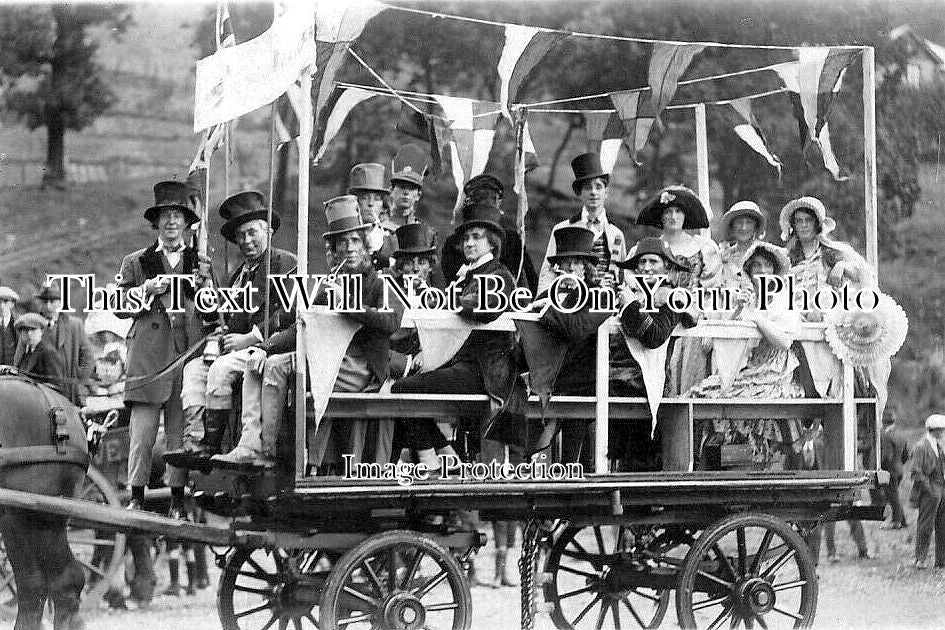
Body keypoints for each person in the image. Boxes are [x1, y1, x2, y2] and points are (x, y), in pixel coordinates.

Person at [211, 195, 404, 470]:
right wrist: (263, 347)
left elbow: (391, 321)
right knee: (264, 364)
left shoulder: (378, 281)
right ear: (334, 250)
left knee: (279, 368)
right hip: (326, 361)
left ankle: (275, 455)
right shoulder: (329, 283)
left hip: (361, 368)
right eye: (342, 243)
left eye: (355, 242)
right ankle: (257, 450)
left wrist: (348, 304)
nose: (348, 249)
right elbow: (298, 324)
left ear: (365, 247)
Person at [166, 191, 296, 466]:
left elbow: (288, 314)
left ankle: (212, 445)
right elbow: (221, 316)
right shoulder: (237, 274)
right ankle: (195, 440)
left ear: (268, 231)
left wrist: (251, 336)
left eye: (252, 233)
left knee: (220, 369)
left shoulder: (285, 263)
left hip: (269, 347)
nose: (246, 241)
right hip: (236, 349)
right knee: (193, 370)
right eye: (240, 236)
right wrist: (206, 293)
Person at [391, 202, 520, 469]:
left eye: (476, 237)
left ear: (492, 243)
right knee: (401, 385)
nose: (469, 243)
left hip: (484, 371)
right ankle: (444, 450)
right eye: (466, 238)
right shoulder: (466, 275)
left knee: (403, 390)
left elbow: (484, 310)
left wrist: (452, 299)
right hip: (456, 364)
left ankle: (431, 457)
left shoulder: (500, 275)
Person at [115, 180, 203, 514]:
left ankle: (177, 498)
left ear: (185, 223)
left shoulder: (200, 262)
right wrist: (146, 290)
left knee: (180, 435)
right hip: (149, 357)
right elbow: (119, 306)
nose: (171, 223)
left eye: (177, 217)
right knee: (143, 433)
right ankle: (136, 496)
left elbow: (215, 310)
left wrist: (203, 291)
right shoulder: (136, 262)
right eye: (165, 216)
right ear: (156, 222)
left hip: (185, 355)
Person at [688, 242, 805, 470]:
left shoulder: (783, 299)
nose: (762, 271)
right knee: (700, 394)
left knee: (741, 403)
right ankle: (708, 466)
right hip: (746, 366)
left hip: (774, 370)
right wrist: (739, 311)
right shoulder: (744, 297)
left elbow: (784, 341)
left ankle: (756, 464)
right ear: (750, 271)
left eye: (767, 266)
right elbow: (717, 341)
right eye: (757, 266)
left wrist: (756, 318)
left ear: (774, 271)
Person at [634, 185, 721, 396]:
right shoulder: (649, 248)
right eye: (668, 211)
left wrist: (695, 310)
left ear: (686, 215)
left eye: (678, 211)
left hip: (692, 329)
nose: (673, 216)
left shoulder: (703, 248)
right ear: (660, 216)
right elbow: (636, 285)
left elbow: (712, 291)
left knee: (691, 386)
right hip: (658, 326)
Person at [538, 153, 627, 294]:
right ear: (579, 192)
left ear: (606, 192)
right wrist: (544, 300)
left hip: (602, 303)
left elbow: (622, 277)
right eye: (587, 187)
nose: (593, 192)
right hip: (569, 300)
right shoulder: (563, 229)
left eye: (598, 187)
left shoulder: (615, 234)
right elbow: (548, 272)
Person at [778, 196, 874, 319]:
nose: (804, 225)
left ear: (817, 223)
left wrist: (841, 266)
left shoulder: (835, 251)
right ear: (793, 226)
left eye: (808, 220)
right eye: (798, 221)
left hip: (828, 320)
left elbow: (863, 275)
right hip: (795, 322)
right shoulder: (785, 257)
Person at [440, 174, 539, 293]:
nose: (469, 243)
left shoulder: (512, 240)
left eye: (491, 199)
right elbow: (451, 282)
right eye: (481, 199)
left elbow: (527, 278)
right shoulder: (454, 242)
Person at [25, 283, 93, 405]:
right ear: (40, 303)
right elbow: (23, 362)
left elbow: (87, 359)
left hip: (70, 394)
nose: (49, 306)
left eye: (53, 301)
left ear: (60, 302)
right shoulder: (30, 327)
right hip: (42, 396)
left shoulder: (74, 325)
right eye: (45, 302)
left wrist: (76, 382)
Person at [909, 413, 945, 569]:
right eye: (941, 429)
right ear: (933, 430)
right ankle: (920, 559)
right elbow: (916, 472)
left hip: (941, 489)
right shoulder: (921, 446)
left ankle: (941, 560)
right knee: (925, 526)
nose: (943, 432)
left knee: (942, 525)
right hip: (929, 490)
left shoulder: (939, 445)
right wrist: (929, 489)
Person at [347, 162, 393, 270]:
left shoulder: (391, 238)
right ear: (355, 201)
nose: (371, 203)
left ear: (383, 204)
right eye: (364, 197)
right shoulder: (345, 238)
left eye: (377, 198)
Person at [717, 200, 766, 290]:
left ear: (756, 227)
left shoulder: (765, 253)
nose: (744, 227)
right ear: (732, 227)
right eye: (739, 222)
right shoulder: (723, 256)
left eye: (749, 222)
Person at [13, 312, 65, 390]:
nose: (29, 334)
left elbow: (56, 386)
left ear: (41, 331)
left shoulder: (48, 353)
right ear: (21, 334)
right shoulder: (25, 352)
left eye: (33, 330)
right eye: (25, 330)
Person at [878, 408, 909, 529]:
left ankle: (897, 522)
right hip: (899, 469)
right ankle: (903, 521)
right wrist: (900, 464)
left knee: (892, 497)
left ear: (884, 422)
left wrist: (881, 467)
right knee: (895, 496)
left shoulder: (886, 436)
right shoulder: (901, 434)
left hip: (890, 470)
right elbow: (906, 455)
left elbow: (886, 456)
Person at [0, 286, 20, 365]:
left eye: (5, 301)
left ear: (12, 304)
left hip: (14, 372)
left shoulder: (19, 323)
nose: (1, 306)